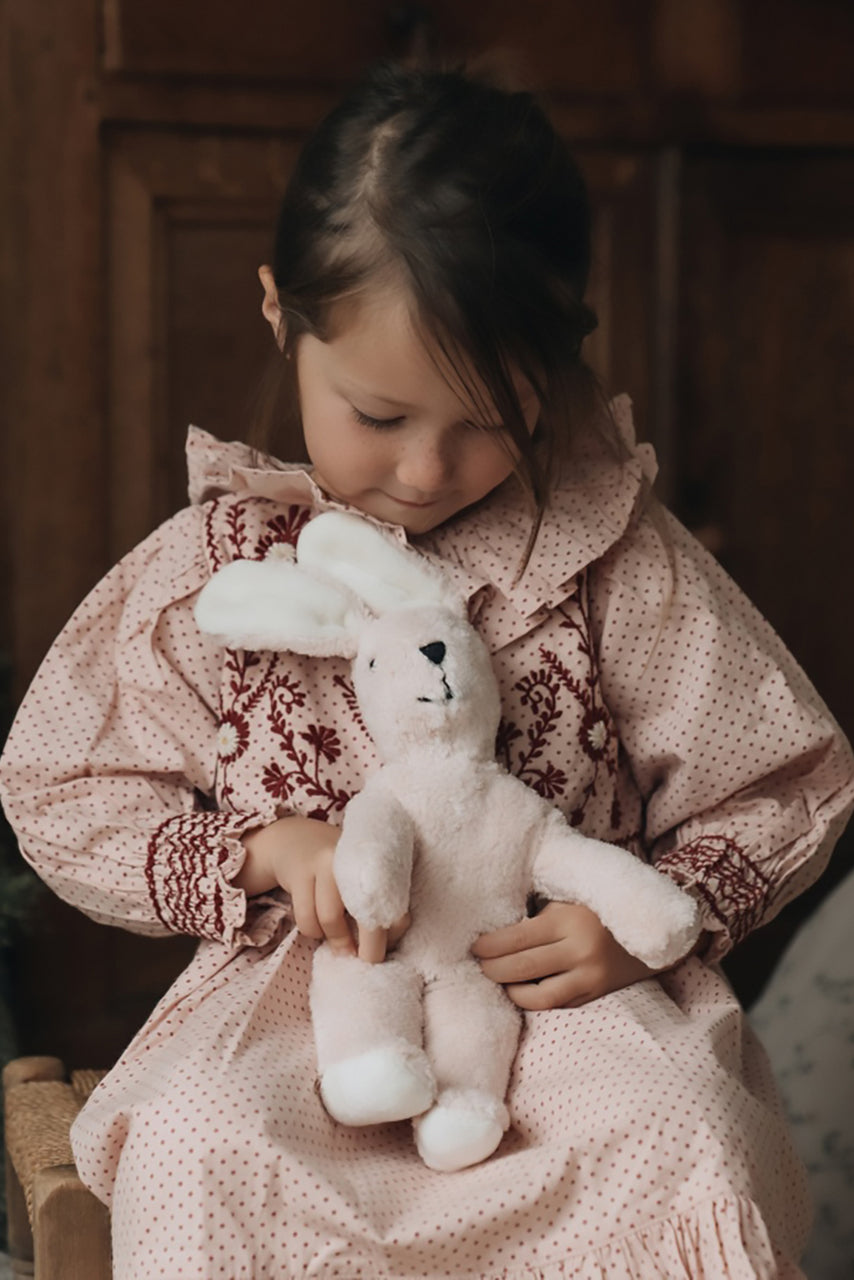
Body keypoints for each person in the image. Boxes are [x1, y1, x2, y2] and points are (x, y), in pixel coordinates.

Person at [1, 59, 852, 1279]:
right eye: (379, 415)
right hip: (307, 1005)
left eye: (489, 418)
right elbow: (63, 781)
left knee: (681, 1133)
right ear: (278, 314)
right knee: (202, 1141)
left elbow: (782, 775)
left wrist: (634, 929)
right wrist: (263, 853)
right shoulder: (219, 568)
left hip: (555, 1002)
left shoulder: (603, 553)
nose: (423, 471)